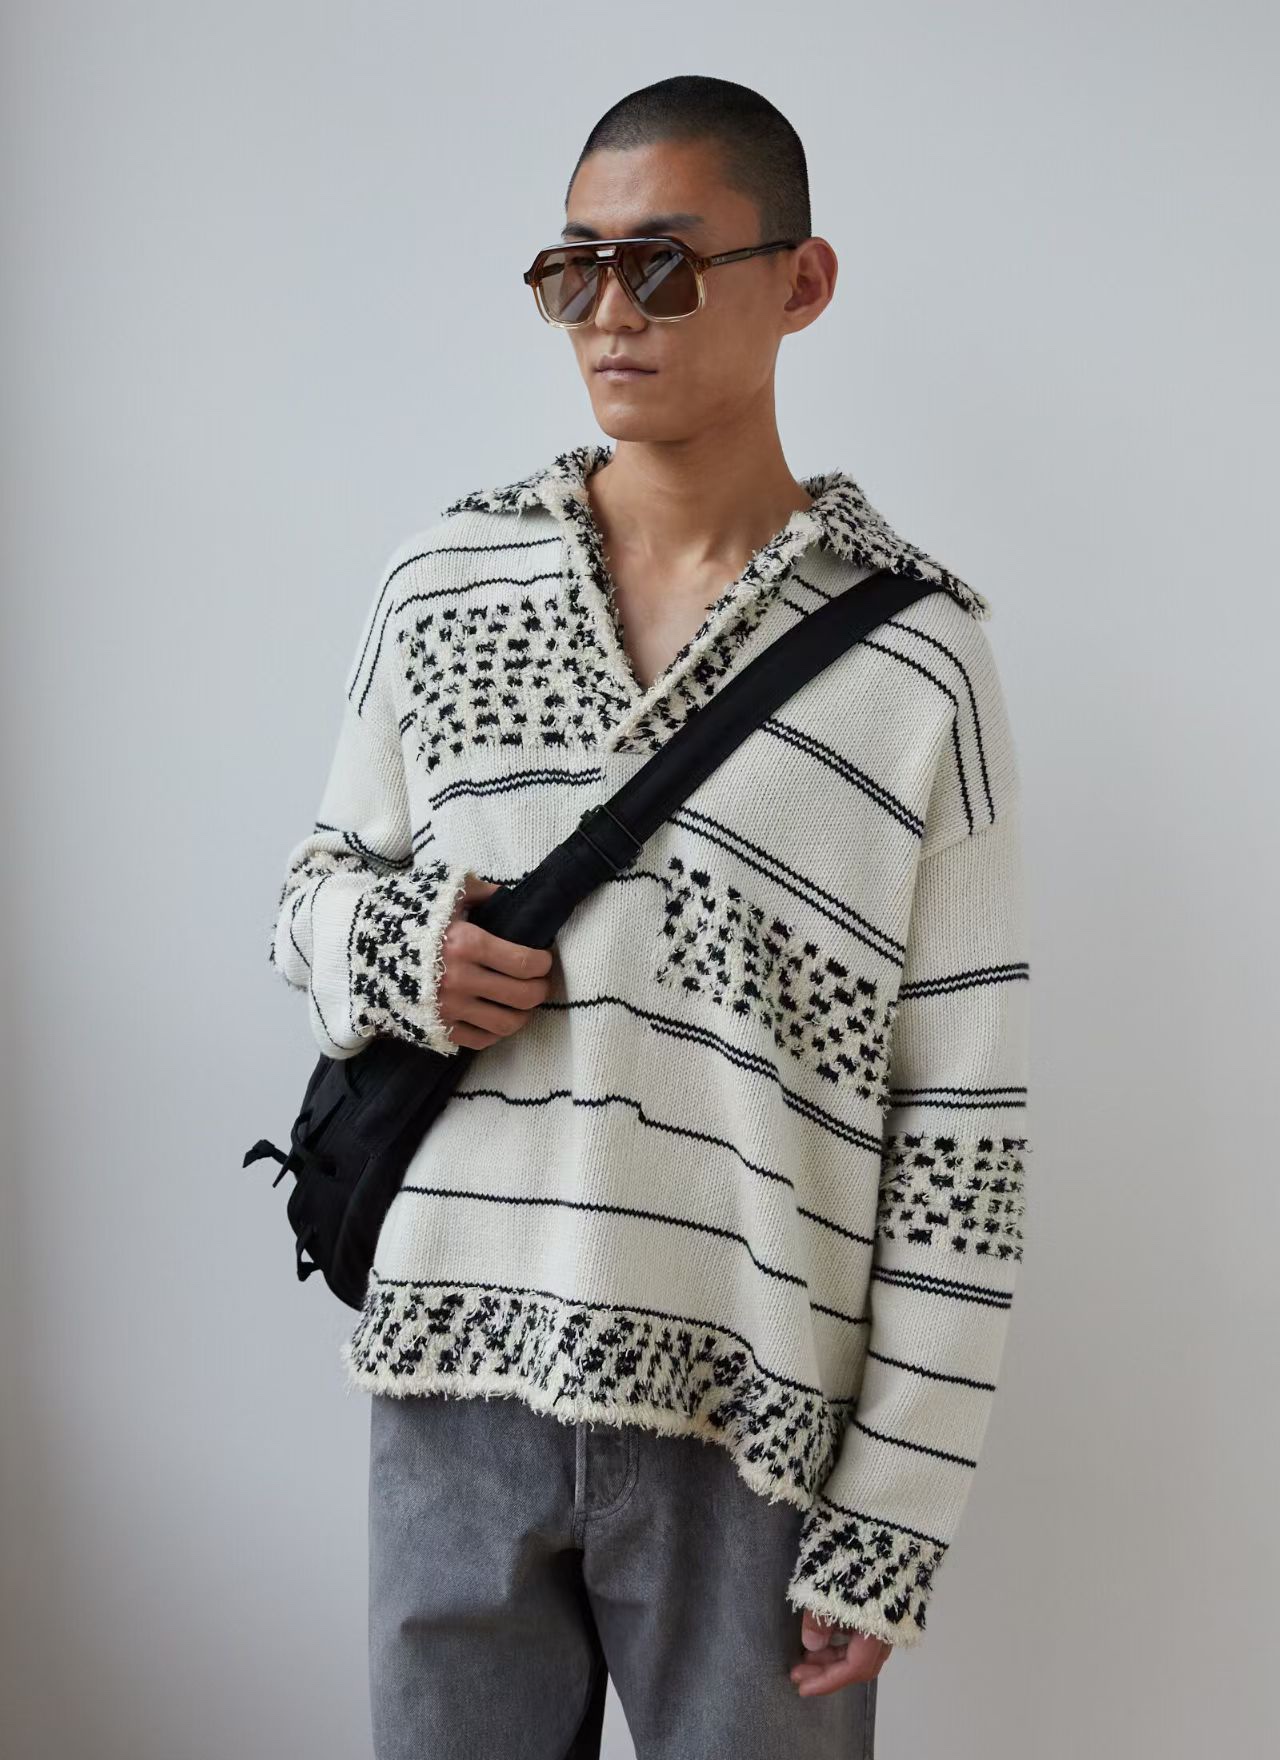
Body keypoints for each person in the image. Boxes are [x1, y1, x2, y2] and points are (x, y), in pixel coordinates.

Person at [268, 72, 1031, 1760]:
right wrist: (400, 952)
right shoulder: (442, 583)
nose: (611, 311)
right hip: (453, 1378)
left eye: (665, 265)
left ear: (801, 281)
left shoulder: (919, 661)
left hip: (755, 1412)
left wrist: (897, 1506)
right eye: (575, 269)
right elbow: (310, 895)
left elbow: (963, 1124)